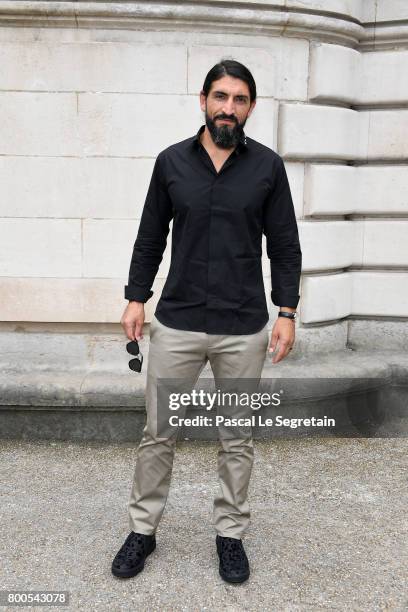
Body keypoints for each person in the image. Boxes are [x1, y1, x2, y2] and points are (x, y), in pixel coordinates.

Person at [111, 59, 302, 583]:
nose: (228, 108)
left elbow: (285, 245)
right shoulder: (171, 162)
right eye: (220, 96)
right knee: (158, 434)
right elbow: (151, 236)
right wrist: (135, 298)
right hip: (178, 323)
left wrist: (286, 310)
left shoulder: (267, 167)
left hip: (243, 328)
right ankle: (142, 530)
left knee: (236, 437)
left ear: (250, 108)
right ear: (203, 100)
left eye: (239, 99)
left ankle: (230, 535)